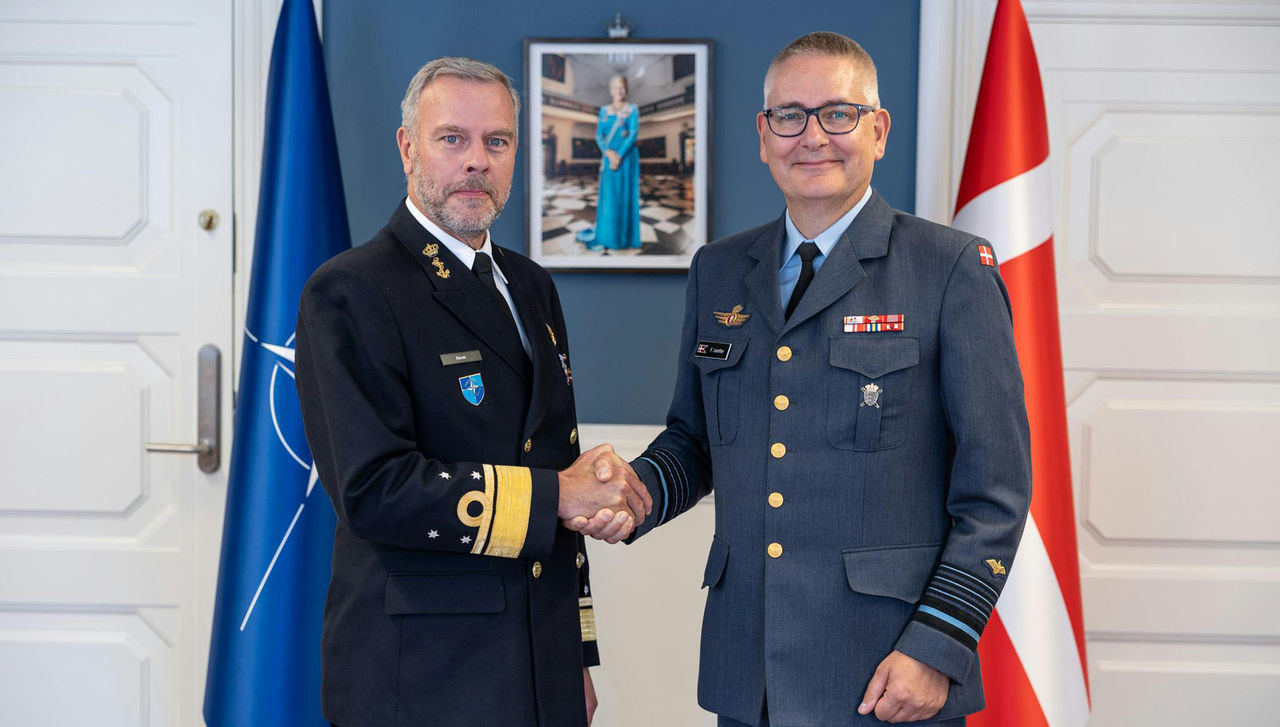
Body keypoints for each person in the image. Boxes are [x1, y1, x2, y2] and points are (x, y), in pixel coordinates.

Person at [574, 32, 1032, 726]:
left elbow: (995, 491)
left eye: (838, 114)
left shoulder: (949, 270)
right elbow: (694, 441)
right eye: (790, 115)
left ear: (877, 130)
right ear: (764, 135)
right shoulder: (720, 270)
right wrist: (633, 495)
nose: (812, 136)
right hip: (749, 671)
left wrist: (940, 644)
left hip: (886, 671)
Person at [295, 57, 650, 727]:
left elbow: (555, 464)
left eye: (497, 141)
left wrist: (576, 652)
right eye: (452, 138)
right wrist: (559, 496)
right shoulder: (351, 291)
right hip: (424, 673)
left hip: (539, 660)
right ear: (408, 148)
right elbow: (375, 490)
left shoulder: (531, 286)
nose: (476, 161)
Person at [581, 74, 641, 251]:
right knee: (609, 198)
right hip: (608, 159)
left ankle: (623, 238)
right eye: (615, 87)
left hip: (627, 159)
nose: (618, 91)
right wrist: (608, 153)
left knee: (624, 196)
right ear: (610, 90)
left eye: (621, 87)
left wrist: (619, 156)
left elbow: (633, 134)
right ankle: (608, 236)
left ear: (626, 89)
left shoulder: (633, 109)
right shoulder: (604, 111)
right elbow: (599, 135)